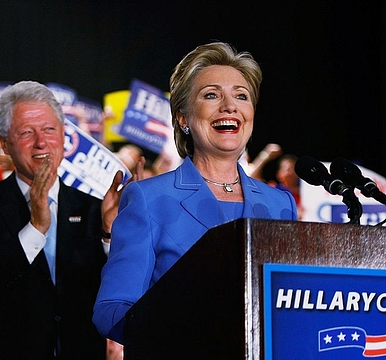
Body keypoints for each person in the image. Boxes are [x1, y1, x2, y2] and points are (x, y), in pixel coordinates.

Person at [93, 42, 298, 344]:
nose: (230, 106)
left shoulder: (281, 204)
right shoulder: (147, 198)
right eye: (211, 95)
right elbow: (111, 312)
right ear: (183, 118)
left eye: (241, 96)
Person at [0, 80, 143, 360]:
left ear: (64, 136)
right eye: (27, 132)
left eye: (49, 129)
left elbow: (119, 297)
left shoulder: (95, 210)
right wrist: (34, 230)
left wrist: (110, 236)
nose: (41, 142)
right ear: (4, 143)